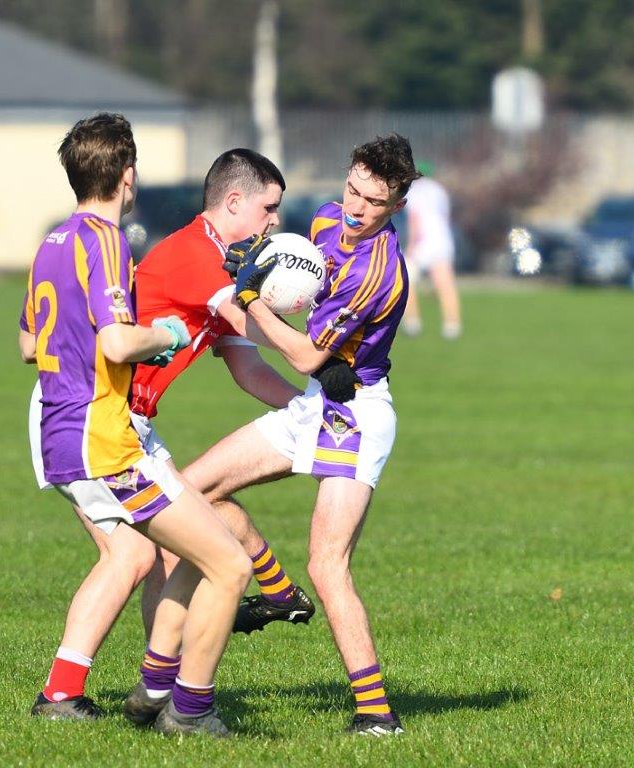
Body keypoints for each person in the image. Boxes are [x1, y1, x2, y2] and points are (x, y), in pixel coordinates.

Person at [132, 134, 419, 736]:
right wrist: (260, 272)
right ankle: (271, 589)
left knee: (329, 565)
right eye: (353, 190)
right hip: (317, 402)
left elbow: (306, 354)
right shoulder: (322, 221)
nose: (357, 208)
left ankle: (376, 716)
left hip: (353, 409)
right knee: (190, 493)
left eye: (374, 201)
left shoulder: (378, 270)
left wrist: (250, 295)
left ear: (395, 206)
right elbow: (285, 275)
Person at [18, 113, 251, 737]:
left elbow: (25, 342)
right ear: (128, 177)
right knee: (227, 564)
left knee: (131, 553)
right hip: (106, 439)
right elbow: (120, 343)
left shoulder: (52, 242)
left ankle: (62, 694)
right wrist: (165, 335)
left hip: (59, 431)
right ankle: (190, 709)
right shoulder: (107, 241)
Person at [399, 162, 461, 340]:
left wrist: (411, 246)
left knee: (406, 281)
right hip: (442, 240)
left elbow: (415, 219)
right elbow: (445, 217)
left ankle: (412, 323)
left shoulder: (415, 191)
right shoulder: (439, 190)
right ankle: (452, 325)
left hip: (422, 242)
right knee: (446, 285)